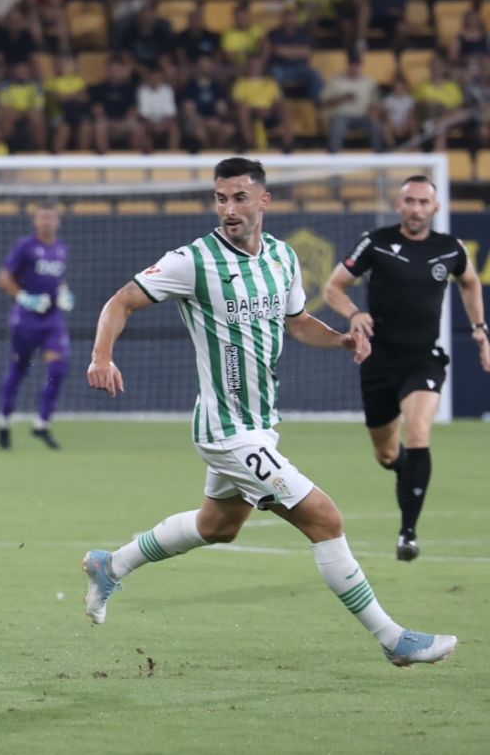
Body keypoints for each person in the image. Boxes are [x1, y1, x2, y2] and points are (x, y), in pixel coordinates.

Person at [81, 158, 456, 669]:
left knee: (218, 526)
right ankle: (393, 639)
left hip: (258, 425)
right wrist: (101, 356)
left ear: (264, 200)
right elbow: (120, 302)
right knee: (325, 518)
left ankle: (111, 564)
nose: (228, 208)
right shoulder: (194, 261)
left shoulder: (281, 257)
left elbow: (298, 321)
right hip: (227, 432)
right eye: (220, 198)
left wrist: (342, 340)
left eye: (238, 197)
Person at [322, 176, 489, 561]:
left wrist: (480, 329)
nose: (416, 209)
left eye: (423, 202)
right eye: (409, 201)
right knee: (386, 455)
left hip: (423, 359)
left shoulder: (450, 249)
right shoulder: (376, 242)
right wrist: (355, 313)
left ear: (436, 208)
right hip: (380, 362)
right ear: (399, 206)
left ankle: (407, 534)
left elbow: (469, 283)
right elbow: (334, 287)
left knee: (418, 432)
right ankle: (403, 469)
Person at [0, 203, 73, 450]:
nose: (46, 222)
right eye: (42, 218)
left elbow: (57, 280)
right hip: (26, 318)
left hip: (52, 319)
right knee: (19, 369)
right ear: (35, 221)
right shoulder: (25, 247)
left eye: (51, 217)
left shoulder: (61, 250)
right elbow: (5, 277)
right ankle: (4, 421)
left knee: (58, 368)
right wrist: (23, 297)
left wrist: (64, 292)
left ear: (57, 221)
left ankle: (42, 422)